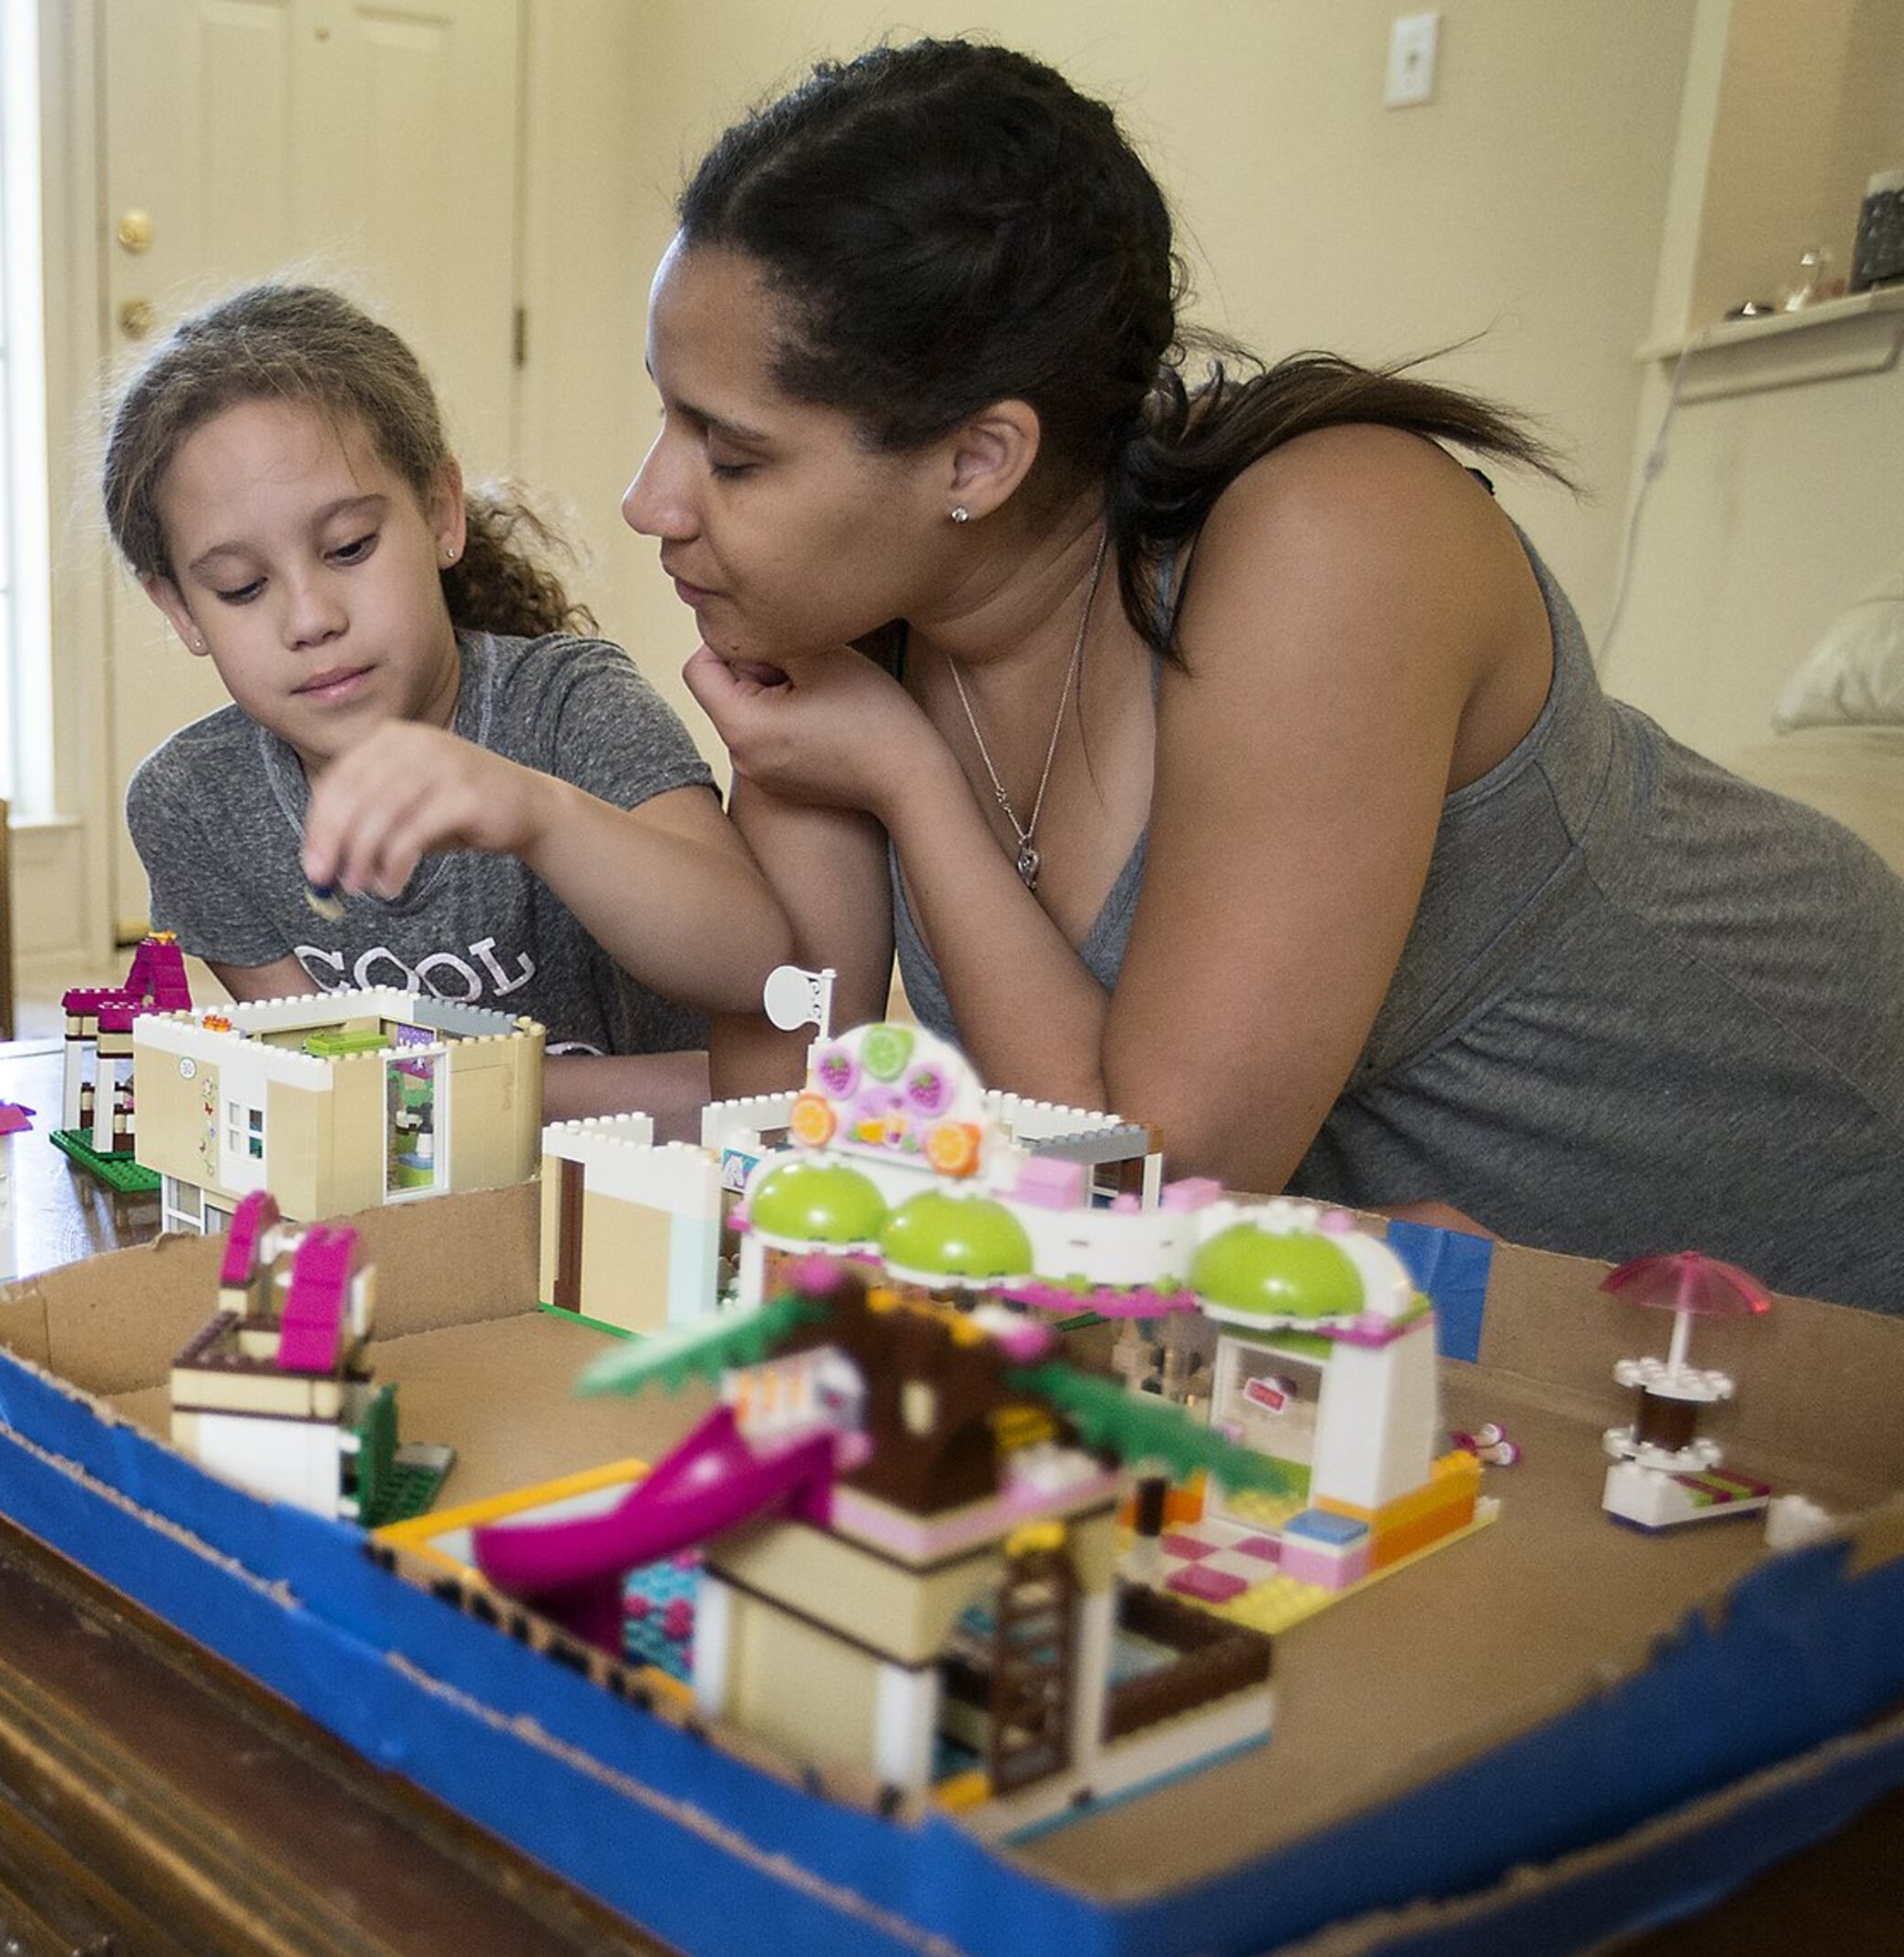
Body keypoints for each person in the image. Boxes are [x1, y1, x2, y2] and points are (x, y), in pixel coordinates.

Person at [628, 39, 1904, 1309]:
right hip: (1441, 1346)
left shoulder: (1335, 536)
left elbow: (1148, 1174)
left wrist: (908, 778)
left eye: (731, 455)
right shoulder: (841, 628)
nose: (649, 501)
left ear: (978, 461)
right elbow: (779, 1124)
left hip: (1812, 1241)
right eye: (666, 415)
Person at [103, 281, 794, 1126]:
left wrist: (535, 813)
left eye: (350, 547)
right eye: (242, 588)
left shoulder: (568, 702)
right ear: (180, 609)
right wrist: (643, 1093)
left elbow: (755, 967)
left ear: (440, 513)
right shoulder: (195, 804)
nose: (312, 619)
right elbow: (330, 1100)